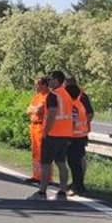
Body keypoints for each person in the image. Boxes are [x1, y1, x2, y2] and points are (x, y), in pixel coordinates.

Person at [29, 69, 73, 201]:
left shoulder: (53, 95)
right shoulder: (66, 95)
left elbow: (52, 114)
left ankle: (42, 192)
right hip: (65, 134)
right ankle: (62, 192)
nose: (48, 82)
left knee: (45, 163)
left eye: (50, 79)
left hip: (53, 134)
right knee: (61, 163)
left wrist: (45, 132)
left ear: (56, 80)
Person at [64, 74, 94, 196]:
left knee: (74, 162)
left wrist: (82, 125)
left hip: (75, 135)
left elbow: (90, 114)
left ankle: (78, 186)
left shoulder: (79, 97)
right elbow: (88, 114)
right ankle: (76, 183)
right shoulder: (78, 96)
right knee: (74, 161)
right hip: (78, 134)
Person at [25, 76, 50, 182]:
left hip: (41, 126)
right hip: (33, 125)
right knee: (35, 152)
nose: (36, 86)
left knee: (43, 153)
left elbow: (39, 110)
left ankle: (46, 177)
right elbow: (28, 110)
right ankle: (36, 175)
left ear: (44, 85)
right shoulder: (37, 96)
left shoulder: (48, 96)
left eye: (38, 84)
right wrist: (34, 109)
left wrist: (35, 109)